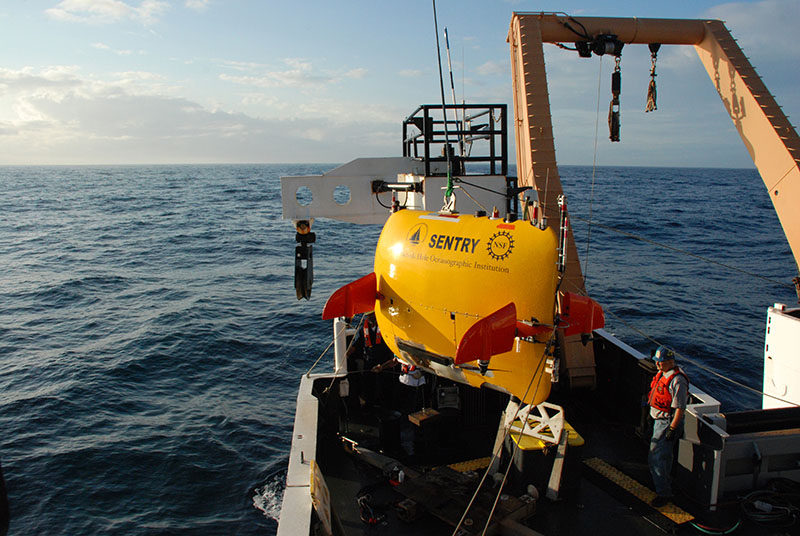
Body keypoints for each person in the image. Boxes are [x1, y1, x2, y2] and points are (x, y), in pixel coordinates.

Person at [647, 345, 689, 507]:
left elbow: (680, 408)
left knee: (657, 458)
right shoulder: (662, 373)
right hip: (657, 420)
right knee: (663, 457)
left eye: (661, 362)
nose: (657, 365)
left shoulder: (678, 381)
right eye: (657, 362)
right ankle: (664, 484)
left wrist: (672, 429)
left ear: (670, 361)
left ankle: (664, 493)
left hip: (666, 423)